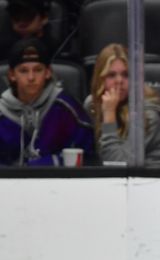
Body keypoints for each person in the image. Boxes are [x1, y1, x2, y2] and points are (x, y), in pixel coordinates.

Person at [0, 38, 93, 166]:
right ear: (12, 75)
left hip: (59, 184)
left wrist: (44, 164)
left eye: (38, 70)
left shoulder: (67, 109)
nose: (31, 77)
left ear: (48, 72)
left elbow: (88, 157)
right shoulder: (1, 114)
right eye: (23, 70)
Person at [84, 43, 160, 166]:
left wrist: (109, 114)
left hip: (151, 180)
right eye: (111, 75)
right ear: (100, 78)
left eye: (126, 75)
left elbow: (119, 164)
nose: (119, 81)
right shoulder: (92, 105)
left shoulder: (147, 113)